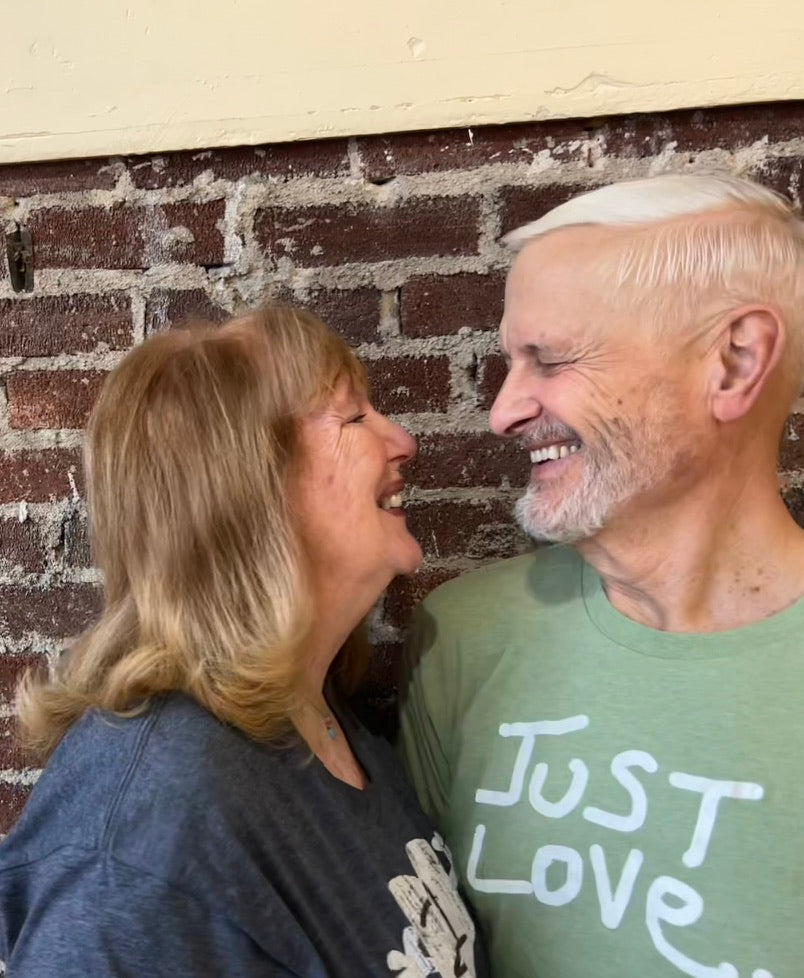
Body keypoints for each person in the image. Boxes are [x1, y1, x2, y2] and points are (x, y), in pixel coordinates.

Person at [0, 306, 489, 978]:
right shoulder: (141, 839)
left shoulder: (319, 720)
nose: (401, 441)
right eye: (354, 417)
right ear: (248, 484)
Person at [398, 174, 804, 978]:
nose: (504, 411)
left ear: (735, 362)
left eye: (550, 359)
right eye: (510, 363)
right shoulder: (465, 638)